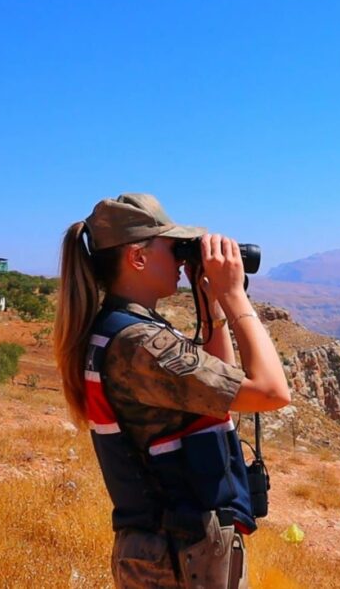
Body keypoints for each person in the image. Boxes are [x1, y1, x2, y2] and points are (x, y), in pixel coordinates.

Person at [53, 193, 291, 589]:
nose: (183, 259)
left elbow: (219, 387)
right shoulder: (141, 344)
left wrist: (210, 302)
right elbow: (270, 392)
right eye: (174, 247)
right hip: (180, 554)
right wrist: (235, 296)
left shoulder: (125, 328)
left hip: (174, 546)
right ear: (137, 257)